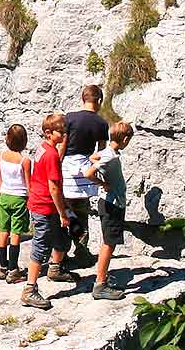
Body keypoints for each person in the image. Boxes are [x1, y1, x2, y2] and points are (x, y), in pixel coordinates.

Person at [21, 113, 78, 310]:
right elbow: (53, 187)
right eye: (60, 132)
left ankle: (55, 269)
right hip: (44, 206)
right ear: (48, 133)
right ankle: (29, 289)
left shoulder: (43, 148)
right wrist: (63, 213)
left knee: (62, 239)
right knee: (41, 245)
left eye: (65, 131)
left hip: (44, 203)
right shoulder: (51, 155)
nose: (64, 135)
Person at [86, 121, 136, 300]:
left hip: (109, 203)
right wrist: (103, 183)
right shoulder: (110, 157)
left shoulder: (108, 152)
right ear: (124, 139)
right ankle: (100, 285)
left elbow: (93, 157)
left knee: (108, 242)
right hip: (112, 204)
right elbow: (88, 173)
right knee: (109, 244)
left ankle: (103, 278)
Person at [62, 85, 109, 261]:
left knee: (65, 211)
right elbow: (101, 152)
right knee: (82, 212)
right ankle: (81, 250)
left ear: (83, 98)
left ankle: (61, 253)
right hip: (84, 171)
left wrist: (57, 164)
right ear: (99, 101)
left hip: (66, 168)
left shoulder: (70, 118)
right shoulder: (102, 123)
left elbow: (63, 145)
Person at [0, 124, 31, 283]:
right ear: (24, 141)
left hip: (4, 196)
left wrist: (4, 189)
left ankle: (3, 267)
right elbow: (29, 184)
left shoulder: (1, 155)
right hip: (19, 198)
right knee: (16, 233)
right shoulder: (25, 160)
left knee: (3, 231)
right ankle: (13, 269)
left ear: (7, 138)